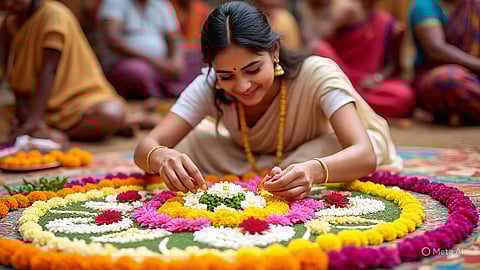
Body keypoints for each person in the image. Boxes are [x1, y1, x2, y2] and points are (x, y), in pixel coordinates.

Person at [134, 1, 402, 200]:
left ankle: (286, 170)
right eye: (226, 75)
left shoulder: (317, 73)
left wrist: (314, 170)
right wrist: (162, 157)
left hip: (314, 152)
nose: (243, 86)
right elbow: (145, 147)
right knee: (187, 145)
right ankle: (272, 171)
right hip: (243, 157)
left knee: (341, 145)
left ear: (273, 51)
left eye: (253, 70)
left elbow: (363, 154)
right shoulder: (209, 83)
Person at [0, 0, 129, 145]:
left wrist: (33, 121)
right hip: (34, 104)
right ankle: (42, 130)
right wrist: (25, 116)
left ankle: (51, 132)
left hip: (76, 101)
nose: (9, 4)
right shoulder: (9, 23)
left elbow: (49, 71)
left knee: (111, 114)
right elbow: (15, 74)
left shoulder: (54, 15)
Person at [307, 0, 414, 120]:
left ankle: (346, 102)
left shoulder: (387, 22)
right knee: (320, 49)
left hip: (367, 85)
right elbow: (316, 41)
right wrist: (337, 19)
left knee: (404, 95)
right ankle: (346, 101)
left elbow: (393, 65)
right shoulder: (343, 9)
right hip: (340, 77)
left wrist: (377, 78)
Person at [98, 0, 190, 101]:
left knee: (200, 59)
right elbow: (113, 40)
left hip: (162, 63)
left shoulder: (161, 4)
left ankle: (172, 92)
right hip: (127, 61)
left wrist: (177, 62)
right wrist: (154, 61)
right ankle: (157, 99)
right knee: (137, 72)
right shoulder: (114, 2)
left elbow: (175, 39)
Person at [409, 0, 480, 126]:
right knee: (450, 79)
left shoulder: (475, 5)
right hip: (437, 76)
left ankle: (462, 114)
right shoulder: (425, 5)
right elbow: (436, 48)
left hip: (476, 78)